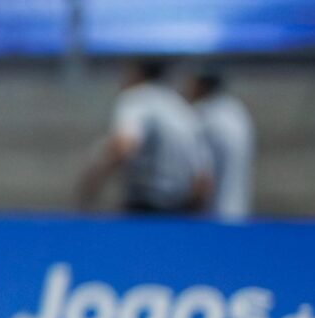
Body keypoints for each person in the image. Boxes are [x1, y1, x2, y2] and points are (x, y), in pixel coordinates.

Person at [77, 57, 213, 215]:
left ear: (137, 73)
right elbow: (204, 180)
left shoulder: (136, 99)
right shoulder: (180, 106)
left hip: (147, 208)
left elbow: (122, 146)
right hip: (181, 209)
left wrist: (90, 187)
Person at [187, 66, 256, 220]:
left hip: (212, 217)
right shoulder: (237, 111)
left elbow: (203, 179)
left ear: (200, 84)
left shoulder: (203, 115)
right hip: (239, 212)